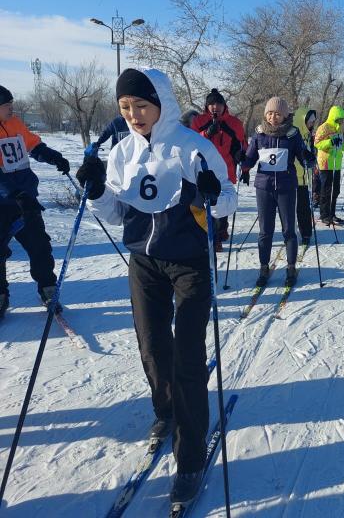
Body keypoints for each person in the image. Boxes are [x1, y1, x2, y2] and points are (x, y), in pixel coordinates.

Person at [75, 68, 237, 504]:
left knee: (187, 355)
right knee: (151, 346)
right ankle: (165, 411)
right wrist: (93, 191)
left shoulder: (192, 147)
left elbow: (226, 200)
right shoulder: (122, 152)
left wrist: (210, 192)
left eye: (142, 105)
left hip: (189, 263)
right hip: (143, 262)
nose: (134, 115)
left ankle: (190, 457)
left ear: (161, 102)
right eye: (125, 107)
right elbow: (114, 214)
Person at [0, 84, 70, 319]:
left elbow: (31, 145)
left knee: (39, 245)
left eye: (11, 103)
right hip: (4, 203)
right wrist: (11, 193)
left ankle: (48, 288)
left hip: (26, 199)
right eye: (7, 105)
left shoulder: (15, 124)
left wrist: (52, 156)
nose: (12, 108)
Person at [240, 97, 309, 287]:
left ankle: (291, 267)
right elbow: (249, 160)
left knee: (288, 229)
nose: (273, 117)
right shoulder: (259, 134)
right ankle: (264, 267)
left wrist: (307, 157)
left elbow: (302, 156)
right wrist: (241, 159)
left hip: (286, 186)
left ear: (285, 115)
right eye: (270, 113)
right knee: (265, 231)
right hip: (264, 187)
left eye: (278, 114)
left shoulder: (292, 134)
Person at [190, 88, 245, 251]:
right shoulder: (199, 121)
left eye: (219, 103)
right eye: (212, 104)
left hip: (225, 170)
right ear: (207, 106)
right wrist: (206, 133)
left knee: (223, 204)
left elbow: (241, 144)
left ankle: (221, 231)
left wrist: (243, 161)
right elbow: (190, 142)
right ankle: (212, 238)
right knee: (207, 204)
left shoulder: (233, 123)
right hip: (203, 170)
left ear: (224, 105)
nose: (215, 107)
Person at [314, 105, 344, 226]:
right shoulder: (324, 127)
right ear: (333, 117)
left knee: (335, 190)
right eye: (339, 118)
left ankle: (331, 213)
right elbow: (317, 143)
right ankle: (324, 215)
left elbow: (340, 145)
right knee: (326, 190)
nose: (341, 121)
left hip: (336, 164)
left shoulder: (338, 130)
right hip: (326, 163)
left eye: (342, 119)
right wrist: (329, 142)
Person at [292, 107, 317, 245]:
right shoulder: (293, 133)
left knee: (304, 208)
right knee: (290, 209)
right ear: (303, 120)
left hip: (303, 178)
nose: (312, 123)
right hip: (291, 177)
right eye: (310, 121)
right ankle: (289, 234)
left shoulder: (308, 134)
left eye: (313, 121)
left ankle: (306, 234)